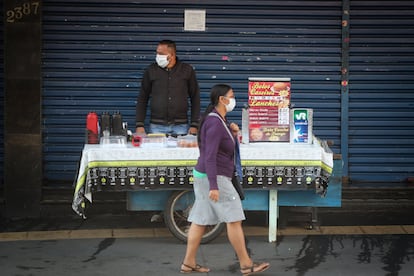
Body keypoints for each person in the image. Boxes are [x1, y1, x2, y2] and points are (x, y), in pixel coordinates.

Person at [180, 84, 270, 275]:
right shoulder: (214, 122)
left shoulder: (219, 120)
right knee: (234, 218)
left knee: (200, 219)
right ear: (222, 99)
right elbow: (210, 156)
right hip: (215, 177)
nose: (234, 99)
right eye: (232, 96)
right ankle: (246, 265)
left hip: (205, 175)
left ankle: (188, 263)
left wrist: (233, 133)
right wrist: (214, 185)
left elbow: (220, 149)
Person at [136, 39, 200, 136]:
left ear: (172, 55)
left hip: (181, 126)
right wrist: (139, 124)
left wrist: (194, 124)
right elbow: (142, 97)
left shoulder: (186, 70)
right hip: (156, 126)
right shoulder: (151, 70)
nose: (157, 56)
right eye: (157, 53)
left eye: (161, 54)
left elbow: (195, 98)